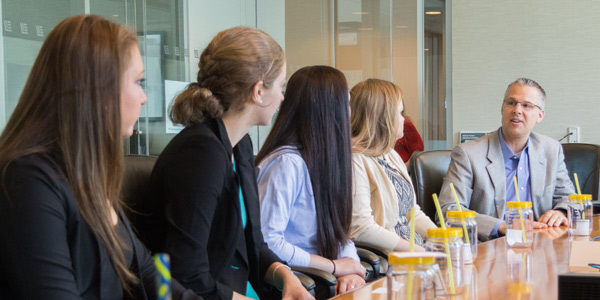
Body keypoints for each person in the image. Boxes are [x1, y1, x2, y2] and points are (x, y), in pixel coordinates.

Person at [0, 15, 202, 299]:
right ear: (98, 90)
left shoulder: (86, 173)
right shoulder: (27, 180)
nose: (144, 97)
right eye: (138, 81)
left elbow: (149, 269)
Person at [137, 26, 312, 300]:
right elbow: (185, 275)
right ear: (258, 91)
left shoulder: (240, 145)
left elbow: (250, 243)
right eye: (281, 86)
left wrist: (284, 274)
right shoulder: (200, 153)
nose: (282, 97)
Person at [256, 66, 367, 295]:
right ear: (328, 112)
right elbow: (268, 243)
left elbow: (338, 232)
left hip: (322, 280)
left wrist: (350, 268)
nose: (349, 114)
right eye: (345, 105)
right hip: (296, 285)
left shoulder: (322, 161)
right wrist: (334, 267)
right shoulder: (286, 164)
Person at [438, 78, 575, 241]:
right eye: (511, 103)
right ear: (502, 108)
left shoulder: (551, 150)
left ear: (540, 115)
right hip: (489, 247)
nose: (517, 110)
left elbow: (569, 198)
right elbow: (449, 212)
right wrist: (502, 226)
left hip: (540, 245)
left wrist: (561, 212)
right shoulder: (468, 154)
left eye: (526, 105)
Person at [349, 79, 437, 252]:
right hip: (389, 261)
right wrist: (419, 251)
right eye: (400, 113)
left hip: (414, 253)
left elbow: (412, 213)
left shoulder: (390, 155)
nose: (404, 120)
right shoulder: (355, 160)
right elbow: (361, 229)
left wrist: (442, 238)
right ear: (383, 117)